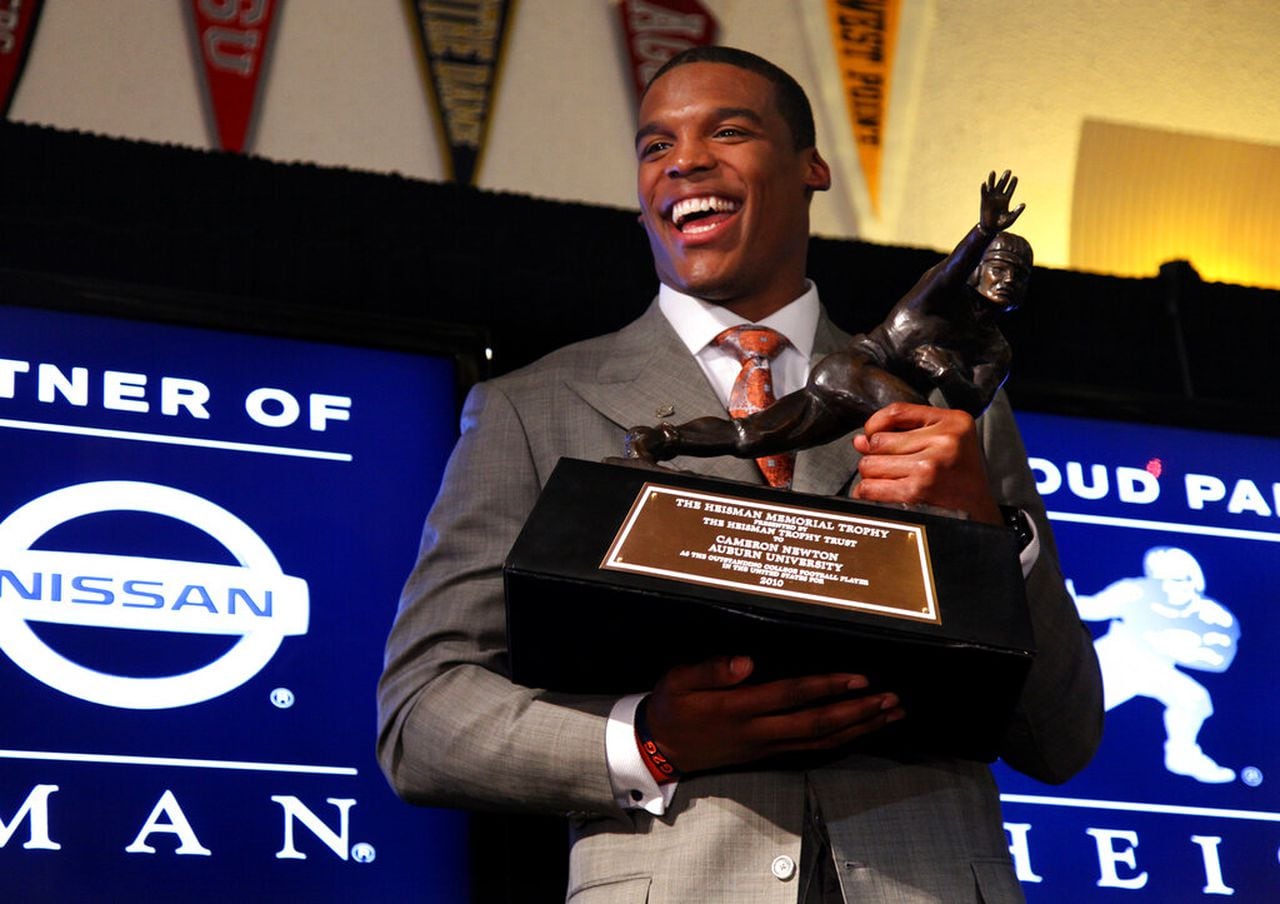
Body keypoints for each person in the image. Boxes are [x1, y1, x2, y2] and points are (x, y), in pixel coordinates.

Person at [378, 45, 1103, 903]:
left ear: (810, 167)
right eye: (656, 146)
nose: (684, 160)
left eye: (727, 130)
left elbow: (1062, 736)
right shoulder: (533, 408)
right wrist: (649, 738)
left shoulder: (946, 402)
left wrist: (990, 539)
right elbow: (424, 715)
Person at [626, 173, 1033, 467]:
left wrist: (946, 373)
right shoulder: (936, 302)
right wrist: (982, 232)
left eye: (1020, 275)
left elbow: (971, 405)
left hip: (855, 398)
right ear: (977, 270)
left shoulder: (995, 349)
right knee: (924, 430)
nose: (1009, 280)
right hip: (851, 371)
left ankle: (659, 440)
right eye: (999, 268)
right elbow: (950, 270)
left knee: (750, 437)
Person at [1070, 546, 1238, 783]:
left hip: (1158, 668)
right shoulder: (1133, 591)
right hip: (1117, 657)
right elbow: (1090, 608)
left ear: (1194, 580)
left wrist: (1184, 650)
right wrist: (1063, 597)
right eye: (1163, 581)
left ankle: (1182, 755)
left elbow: (1221, 659)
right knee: (1075, 711)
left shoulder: (1213, 616)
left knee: (1195, 699)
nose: (1171, 588)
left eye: (1179, 580)